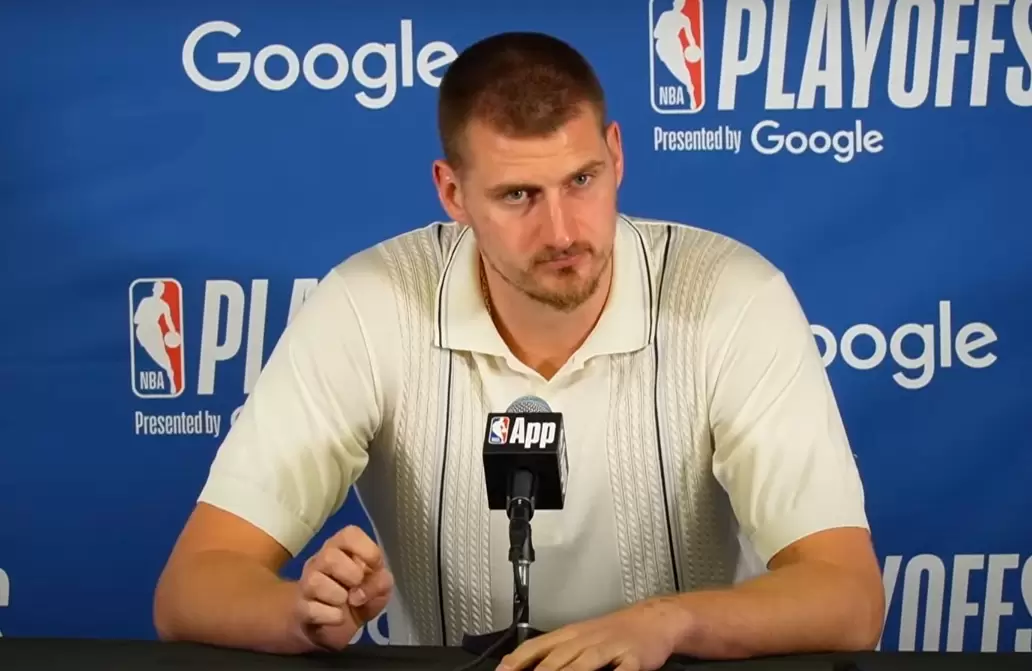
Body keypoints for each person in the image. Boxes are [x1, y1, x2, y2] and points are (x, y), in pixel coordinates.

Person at [153, 31, 885, 669]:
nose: (562, 231)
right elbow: (192, 585)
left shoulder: (731, 296)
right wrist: (299, 616)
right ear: (453, 193)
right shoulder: (366, 303)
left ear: (617, 155)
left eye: (582, 179)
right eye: (517, 196)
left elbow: (848, 596)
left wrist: (667, 623)